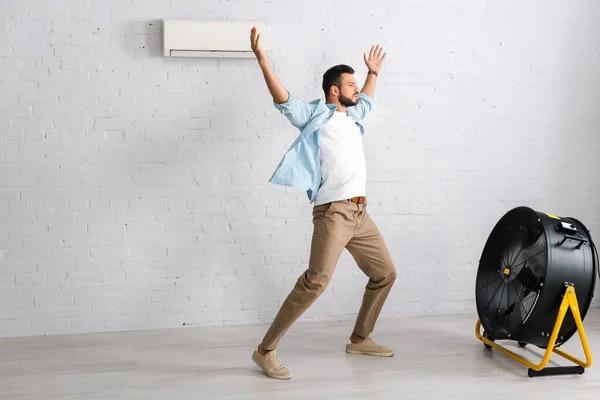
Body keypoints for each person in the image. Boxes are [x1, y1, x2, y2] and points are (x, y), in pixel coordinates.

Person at [249, 27, 397, 380]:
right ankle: (265, 350)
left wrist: (372, 73)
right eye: (351, 85)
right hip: (334, 213)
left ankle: (359, 338)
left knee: (384, 274)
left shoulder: (355, 116)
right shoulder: (316, 115)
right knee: (316, 281)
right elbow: (284, 99)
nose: (356, 89)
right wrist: (263, 60)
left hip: (361, 213)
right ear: (334, 90)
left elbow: (369, 100)